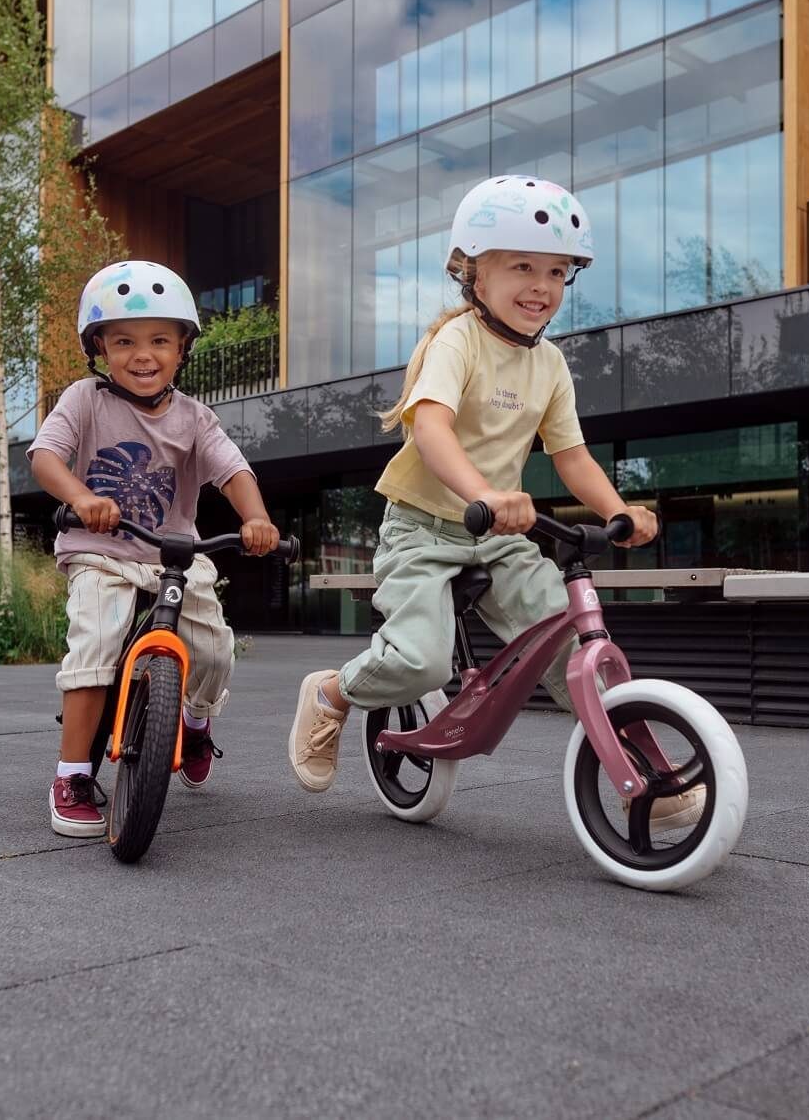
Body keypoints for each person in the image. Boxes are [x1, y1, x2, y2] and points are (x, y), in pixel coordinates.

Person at [284, 175, 698, 825]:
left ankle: (640, 774)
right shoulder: (458, 341)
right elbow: (432, 429)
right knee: (420, 662)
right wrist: (485, 493)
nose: (542, 286)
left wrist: (618, 510)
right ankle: (334, 692)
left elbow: (571, 456)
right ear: (473, 271)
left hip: (498, 535)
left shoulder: (550, 363)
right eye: (522, 266)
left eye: (557, 272)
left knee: (571, 642)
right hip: (422, 527)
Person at [29, 259, 282, 838]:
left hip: (172, 555)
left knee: (214, 650)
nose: (143, 355)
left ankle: (195, 722)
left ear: (182, 348)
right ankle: (72, 776)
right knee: (94, 648)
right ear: (99, 348)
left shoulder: (195, 418)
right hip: (99, 553)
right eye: (124, 342)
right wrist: (80, 496)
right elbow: (45, 457)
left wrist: (257, 517)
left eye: (159, 341)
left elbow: (232, 471)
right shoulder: (85, 400)